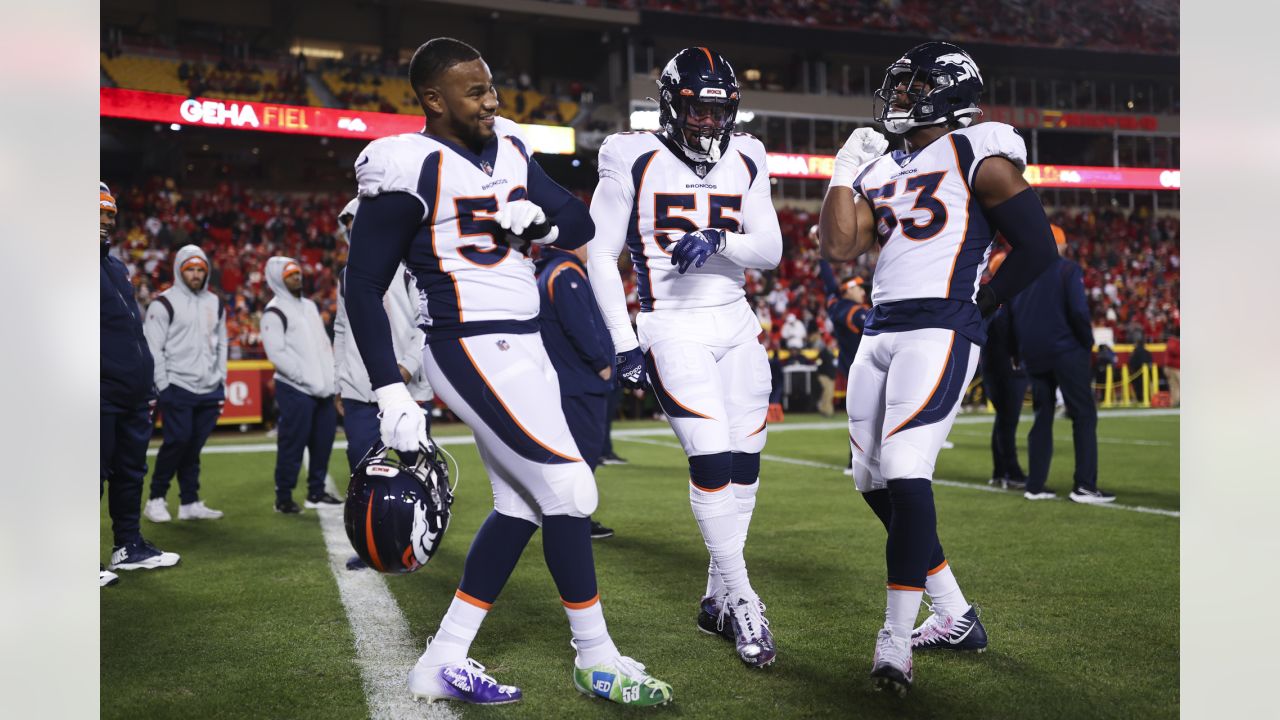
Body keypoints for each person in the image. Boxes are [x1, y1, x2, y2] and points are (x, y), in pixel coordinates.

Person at [343, 37, 671, 706]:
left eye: (492, 87)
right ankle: (595, 657)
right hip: (466, 342)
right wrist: (388, 391)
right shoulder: (405, 164)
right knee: (573, 491)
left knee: (522, 505)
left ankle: (442, 659)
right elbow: (362, 284)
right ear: (433, 99)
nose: (492, 100)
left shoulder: (512, 149)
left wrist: (540, 226)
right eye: (475, 91)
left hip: (525, 346)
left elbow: (577, 219)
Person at [818, 42, 1059, 696]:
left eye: (910, 87)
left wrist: (978, 305)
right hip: (882, 327)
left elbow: (1036, 248)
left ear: (945, 92)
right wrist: (843, 171)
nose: (897, 98)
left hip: (941, 325)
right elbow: (840, 246)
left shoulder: (978, 149)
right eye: (897, 87)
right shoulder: (886, 167)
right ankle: (952, 611)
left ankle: (895, 642)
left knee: (902, 468)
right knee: (868, 479)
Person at [587, 47, 783, 669]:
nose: (708, 123)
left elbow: (772, 249)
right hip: (671, 323)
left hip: (736, 319)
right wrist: (622, 342)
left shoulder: (747, 153)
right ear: (671, 105)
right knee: (710, 457)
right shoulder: (632, 154)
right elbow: (598, 255)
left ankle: (715, 598)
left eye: (719, 110)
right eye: (698, 109)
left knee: (745, 466)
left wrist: (721, 239)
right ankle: (745, 599)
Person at [100, 182, 180, 586]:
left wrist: (145, 383)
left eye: (110, 212)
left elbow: (129, 330)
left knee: (131, 472)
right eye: (97, 210)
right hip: (95, 393)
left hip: (131, 392)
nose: (106, 218)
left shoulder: (115, 266)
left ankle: (128, 546)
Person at [1008, 230, 1115, 505]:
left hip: (1033, 354)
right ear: (1062, 244)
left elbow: (1009, 314)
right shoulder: (1067, 269)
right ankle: (1085, 486)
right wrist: (1087, 341)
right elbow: (1079, 310)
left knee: (1042, 416)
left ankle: (1035, 484)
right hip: (1066, 351)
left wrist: (1015, 351)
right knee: (1083, 415)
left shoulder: (1022, 274)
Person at [332, 198, 432, 475]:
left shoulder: (411, 271)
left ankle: (423, 518)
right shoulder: (346, 277)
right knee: (364, 472)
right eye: (350, 231)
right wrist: (341, 379)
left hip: (407, 388)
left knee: (419, 471)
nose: (355, 236)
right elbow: (341, 331)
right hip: (359, 391)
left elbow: (427, 324)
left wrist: (407, 367)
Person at [535, 244, 617, 540]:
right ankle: (572, 519)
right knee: (584, 455)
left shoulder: (548, 270)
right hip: (578, 380)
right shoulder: (565, 272)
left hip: (563, 379)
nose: (590, 247)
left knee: (573, 455)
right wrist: (601, 364)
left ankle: (568, 515)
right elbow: (580, 327)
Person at [142, 245, 228, 522]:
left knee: (193, 446)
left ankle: (189, 502)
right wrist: (163, 385)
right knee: (176, 442)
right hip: (177, 384)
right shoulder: (163, 303)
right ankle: (156, 498)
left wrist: (221, 380)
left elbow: (222, 344)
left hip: (210, 386)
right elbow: (153, 348)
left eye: (200, 269)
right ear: (180, 270)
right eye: (190, 269)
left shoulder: (216, 302)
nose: (195, 274)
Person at [261, 256, 342, 514]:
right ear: (278, 279)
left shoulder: (309, 306)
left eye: (297, 273)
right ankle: (283, 497)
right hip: (296, 389)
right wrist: (304, 378)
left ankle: (316, 492)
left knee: (323, 440)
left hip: (323, 389)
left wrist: (330, 379)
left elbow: (322, 345)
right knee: (292, 443)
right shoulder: (273, 311)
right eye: (290, 275)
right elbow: (277, 354)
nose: (297, 278)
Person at [818, 259, 870, 473]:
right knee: (871, 418)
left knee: (860, 418)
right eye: (858, 288)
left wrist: (823, 259)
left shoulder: (836, 305)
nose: (863, 293)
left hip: (851, 367)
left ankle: (855, 461)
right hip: (866, 369)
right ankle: (860, 462)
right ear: (848, 291)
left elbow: (830, 285)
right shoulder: (855, 312)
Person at [981, 304, 1028, 489]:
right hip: (1008, 368)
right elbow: (1015, 335)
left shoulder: (993, 304)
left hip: (992, 367)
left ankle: (1000, 472)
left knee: (1003, 420)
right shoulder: (1009, 305)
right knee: (1008, 421)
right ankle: (1012, 473)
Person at [1164, 331, 1180, 406]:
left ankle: (1177, 402)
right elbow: (1175, 351)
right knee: (1174, 386)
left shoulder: (1174, 342)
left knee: (1176, 386)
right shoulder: (1173, 341)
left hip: (1176, 367)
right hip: (1174, 368)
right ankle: (1175, 402)